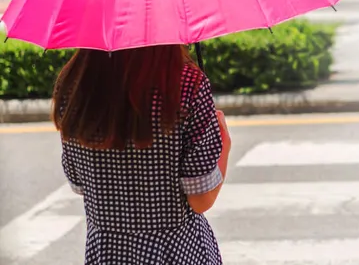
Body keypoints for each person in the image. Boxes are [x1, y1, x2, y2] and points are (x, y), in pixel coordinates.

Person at [51, 45, 232, 264]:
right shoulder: (185, 84)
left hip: (107, 254)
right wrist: (225, 146)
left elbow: (78, 183)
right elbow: (201, 199)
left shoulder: (75, 84)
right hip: (177, 253)